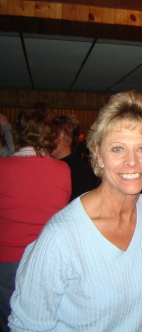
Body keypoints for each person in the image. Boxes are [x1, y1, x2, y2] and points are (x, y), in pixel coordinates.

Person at [8, 91, 142, 331]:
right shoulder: (61, 237)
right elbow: (27, 326)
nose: (131, 161)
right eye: (118, 149)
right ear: (98, 152)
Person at [0, 103, 71, 332]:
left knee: (10, 320)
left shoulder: (3, 167)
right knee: (46, 319)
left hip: (7, 259)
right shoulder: (62, 170)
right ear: (52, 134)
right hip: (46, 258)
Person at [51, 115, 98, 200]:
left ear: (68, 139)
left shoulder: (81, 170)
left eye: (55, 136)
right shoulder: (46, 165)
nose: (49, 141)